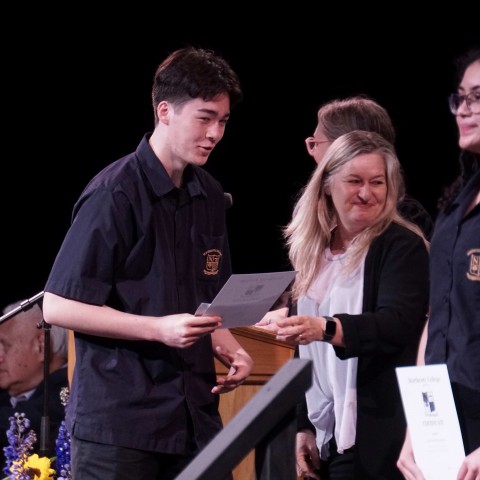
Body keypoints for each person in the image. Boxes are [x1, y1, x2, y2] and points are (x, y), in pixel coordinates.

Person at [41, 46, 254, 480]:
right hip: (122, 427)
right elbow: (57, 305)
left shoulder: (209, 194)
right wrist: (156, 329)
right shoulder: (114, 194)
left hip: (195, 419)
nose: (215, 133)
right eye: (205, 117)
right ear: (165, 112)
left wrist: (228, 344)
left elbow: (208, 298)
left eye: (223, 122)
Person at [257, 130, 430, 479]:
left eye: (377, 182)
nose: (366, 193)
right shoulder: (312, 250)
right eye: (354, 181)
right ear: (327, 185)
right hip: (326, 434)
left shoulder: (401, 246)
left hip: (379, 433)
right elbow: (303, 350)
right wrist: (304, 425)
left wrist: (327, 328)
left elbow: (397, 324)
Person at [397, 46, 480, 480]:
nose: (464, 109)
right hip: (446, 423)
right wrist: (418, 423)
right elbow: (439, 315)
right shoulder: (455, 206)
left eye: (479, 97)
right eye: (460, 98)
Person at [304, 95, 434, 239]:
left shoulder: (406, 223)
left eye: (316, 143)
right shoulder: (317, 214)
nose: (312, 152)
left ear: (349, 146)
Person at [0, 299, 69, 465]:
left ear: (41, 346)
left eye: (5, 346)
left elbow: (27, 422)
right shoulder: (6, 398)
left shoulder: (68, 393)